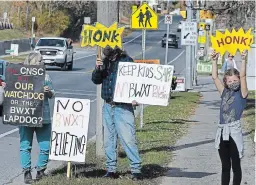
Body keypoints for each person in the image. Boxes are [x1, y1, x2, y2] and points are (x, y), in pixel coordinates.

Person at [91, 46, 143, 180]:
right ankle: (111, 170)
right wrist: (97, 68)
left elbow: (136, 82)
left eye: (108, 45)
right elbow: (96, 80)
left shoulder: (126, 61)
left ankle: (136, 170)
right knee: (109, 140)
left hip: (123, 107)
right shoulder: (104, 62)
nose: (105, 48)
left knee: (128, 139)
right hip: (108, 105)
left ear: (116, 47)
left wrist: (136, 98)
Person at [3, 53, 55, 184]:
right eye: (39, 60)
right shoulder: (20, 76)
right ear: (31, 63)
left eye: (42, 60)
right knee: (25, 146)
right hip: (26, 116)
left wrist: (48, 91)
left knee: (45, 146)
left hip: (44, 117)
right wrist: (7, 87)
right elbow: (13, 92)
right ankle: (26, 172)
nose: (43, 62)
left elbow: (52, 94)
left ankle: (40, 170)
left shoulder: (46, 76)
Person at [211, 50, 248, 185]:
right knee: (225, 166)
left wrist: (243, 59)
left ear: (238, 79)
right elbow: (215, 77)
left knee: (236, 166)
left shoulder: (242, 93)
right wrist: (214, 60)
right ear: (226, 82)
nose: (233, 82)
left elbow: (243, 76)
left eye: (235, 80)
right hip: (222, 131)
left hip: (234, 131)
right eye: (229, 80)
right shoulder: (224, 92)